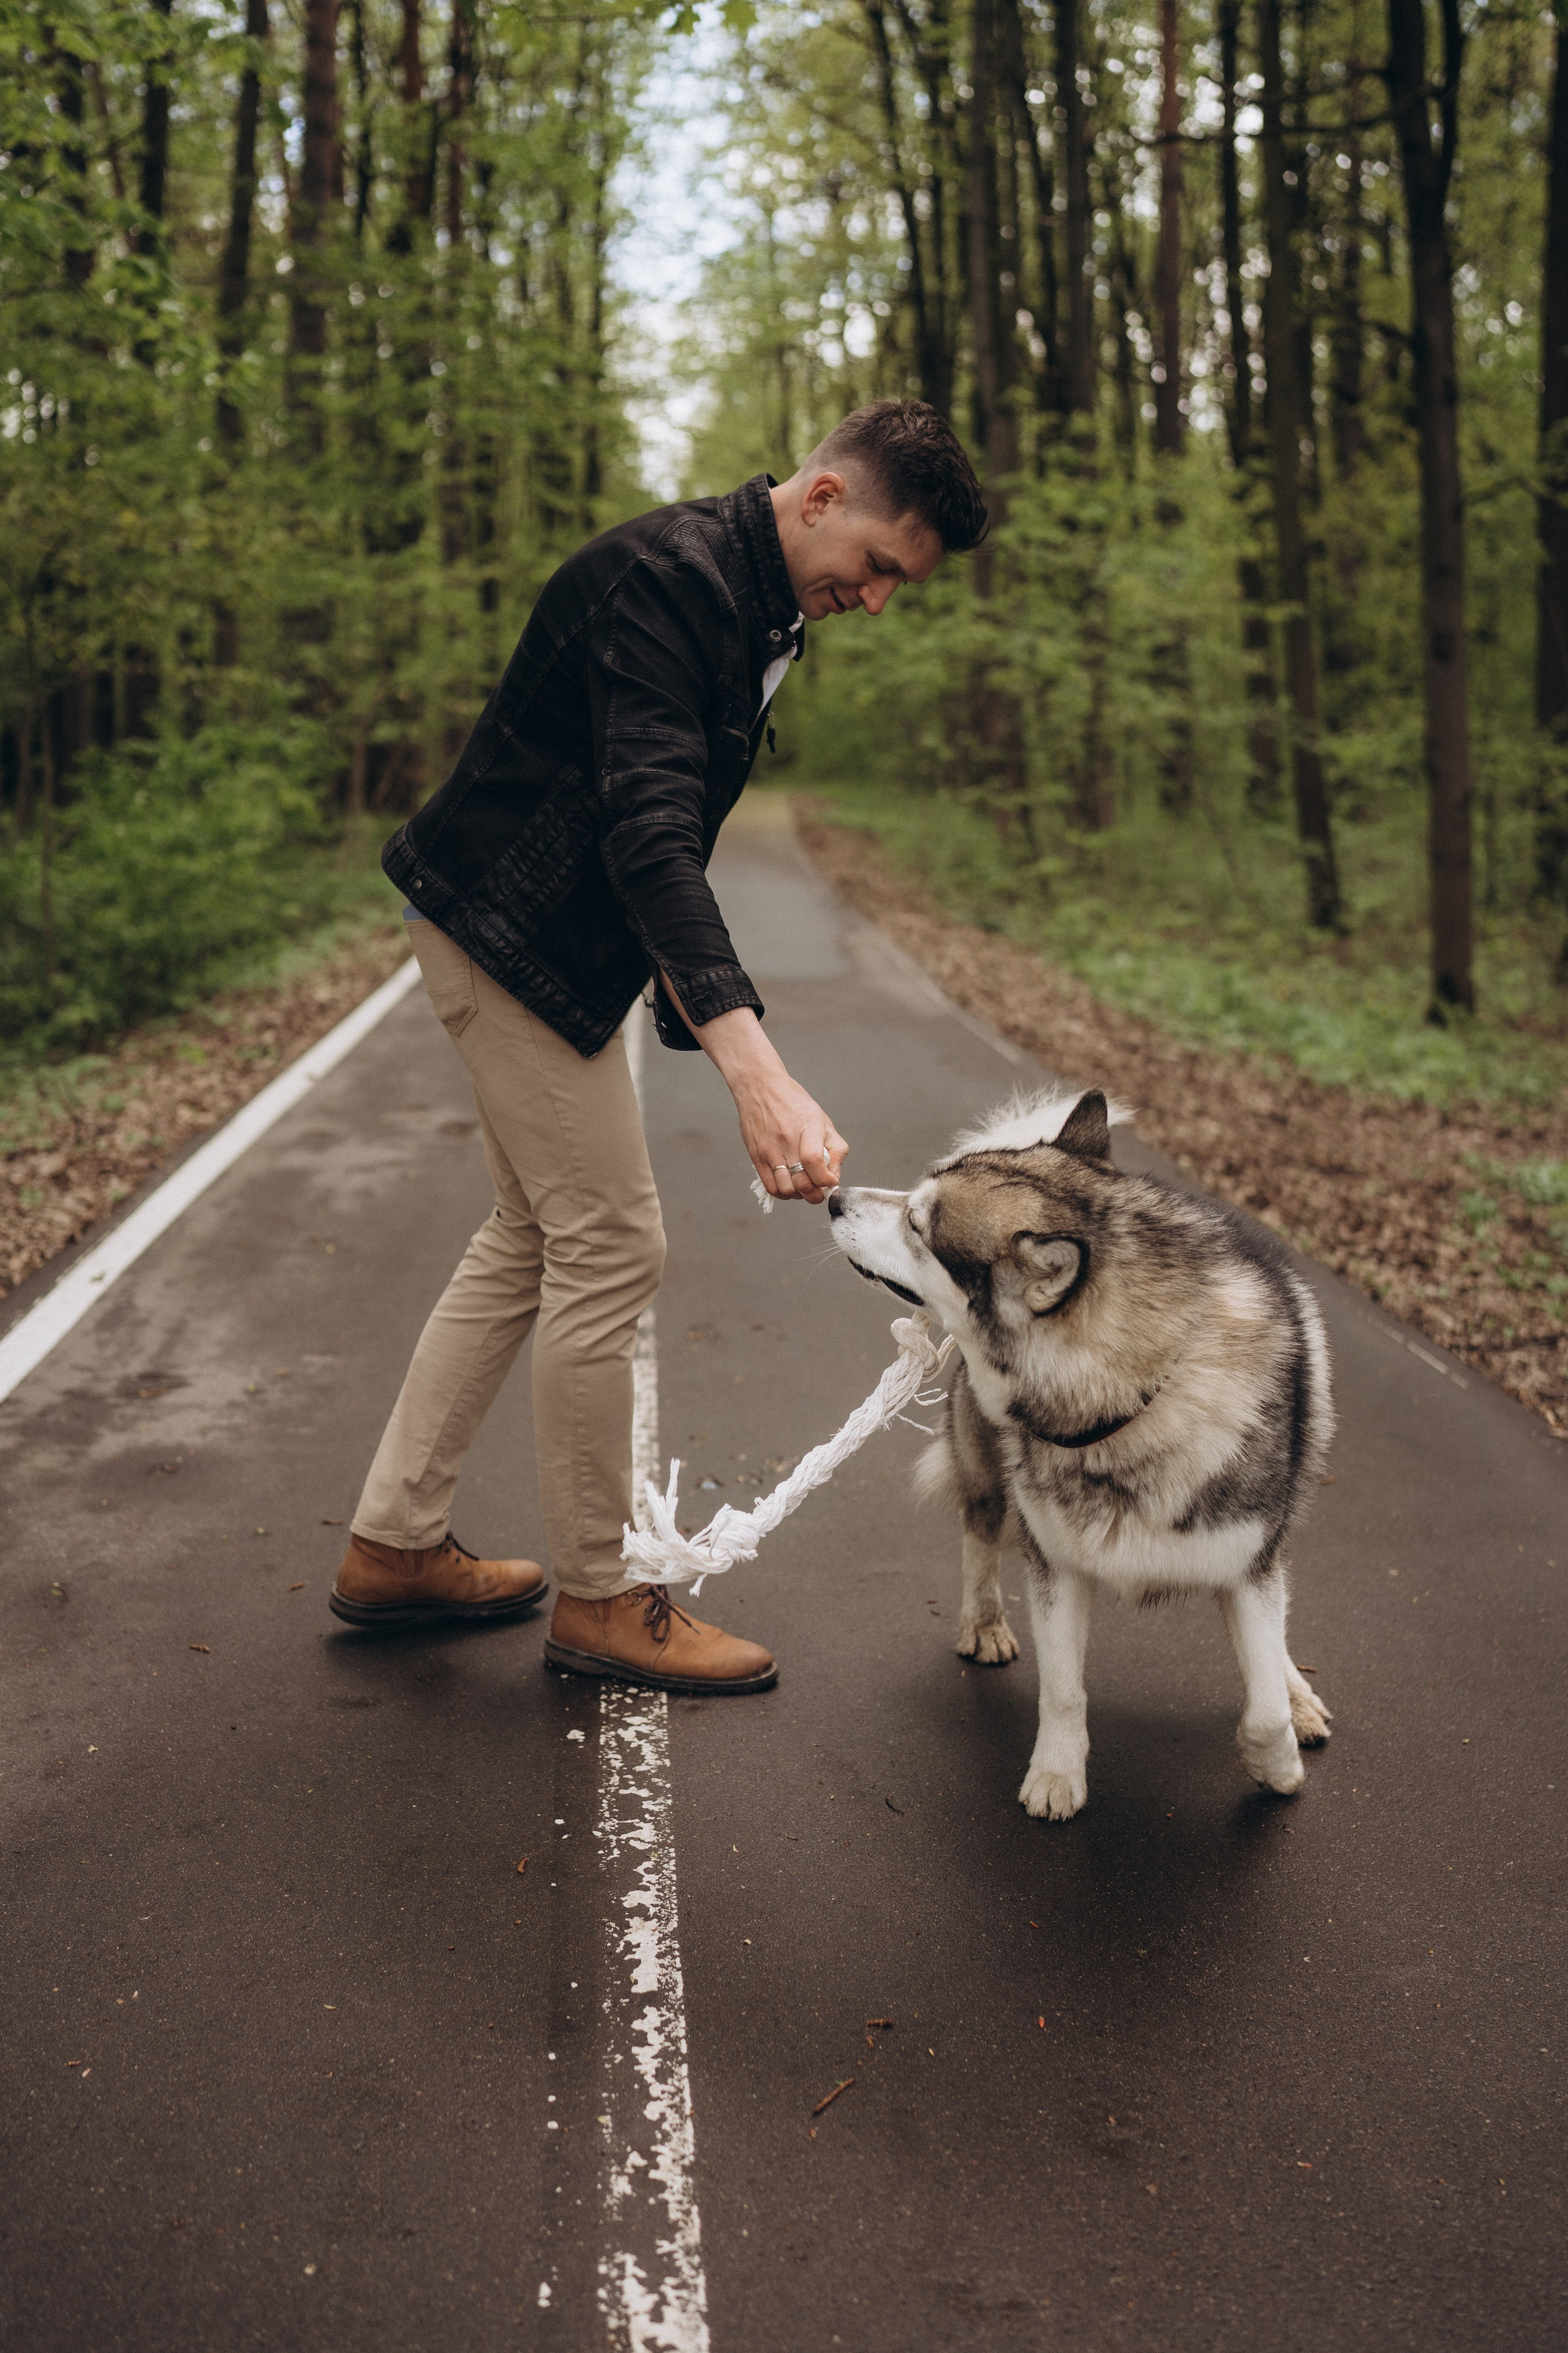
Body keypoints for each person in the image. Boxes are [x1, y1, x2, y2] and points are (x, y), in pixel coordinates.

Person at [330, 398, 988, 1692]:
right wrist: (757, 1071)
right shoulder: (672, 584)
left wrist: (702, 1020)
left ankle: (395, 1545)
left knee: (533, 1234)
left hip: (532, 938)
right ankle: (601, 1597)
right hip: (501, 933)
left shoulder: (755, 602)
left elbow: (658, 831)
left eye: (897, 585)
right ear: (820, 501)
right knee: (611, 1238)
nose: (877, 600)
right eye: (877, 568)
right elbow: (645, 832)